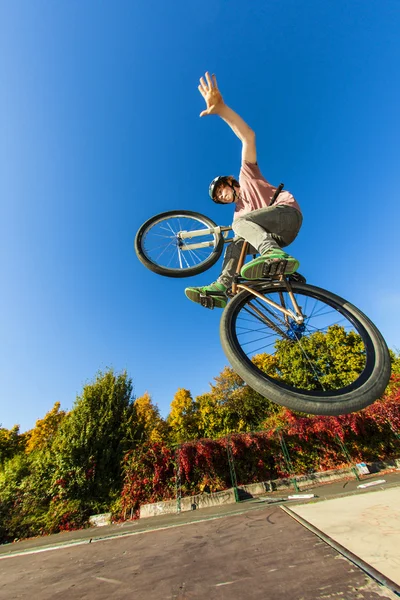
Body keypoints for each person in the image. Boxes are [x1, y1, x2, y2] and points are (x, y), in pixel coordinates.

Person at [185, 72, 303, 309]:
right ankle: (221, 287)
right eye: (218, 197)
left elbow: (248, 137)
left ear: (230, 182)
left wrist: (222, 110)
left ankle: (272, 253)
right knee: (236, 244)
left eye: (220, 189)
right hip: (279, 236)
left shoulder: (247, 176)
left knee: (240, 226)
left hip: (286, 214)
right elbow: (244, 233)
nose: (221, 195)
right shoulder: (239, 214)